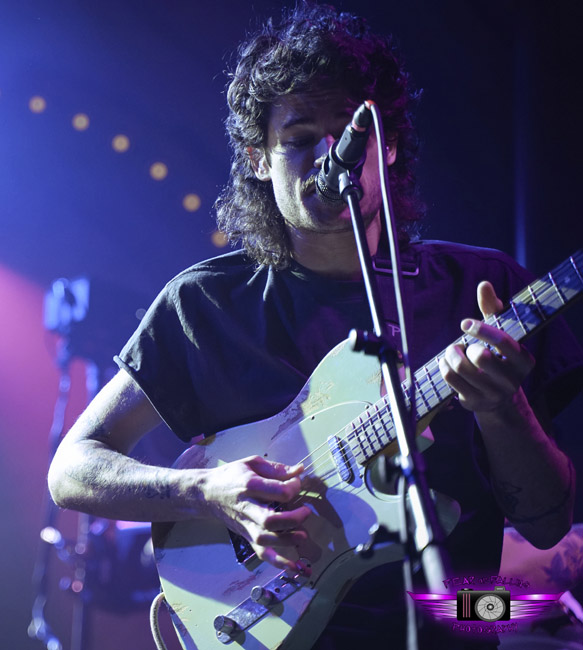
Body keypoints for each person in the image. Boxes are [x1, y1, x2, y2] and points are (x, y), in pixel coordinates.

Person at [47, 3, 582, 647]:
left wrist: (504, 411)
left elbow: (549, 526)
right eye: (301, 139)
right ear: (257, 158)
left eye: (353, 133)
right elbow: (71, 469)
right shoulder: (205, 304)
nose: (335, 158)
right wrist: (207, 490)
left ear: (389, 148)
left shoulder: (481, 287)